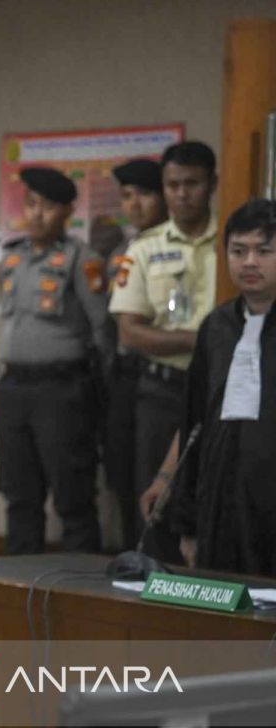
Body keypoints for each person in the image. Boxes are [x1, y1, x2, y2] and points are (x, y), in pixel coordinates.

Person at [0, 166, 113, 554]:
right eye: (31, 204)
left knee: (72, 497)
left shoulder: (82, 260)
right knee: (19, 496)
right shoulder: (11, 259)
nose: (37, 214)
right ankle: (16, 582)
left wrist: (100, 389)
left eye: (47, 206)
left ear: (67, 212)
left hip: (61, 391)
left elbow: (102, 330)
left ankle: (79, 584)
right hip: (14, 388)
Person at [110, 141, 218, 563]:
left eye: (192, 183)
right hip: (162, 392)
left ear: (212, 184)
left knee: (214, 500)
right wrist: (205, 340)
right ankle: (153, 588)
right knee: (156, 505)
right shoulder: (144, 248)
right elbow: (131, 332)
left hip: (221, 391)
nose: (181, 194)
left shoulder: (235, 242)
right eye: (172, 185)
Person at [167, 199, 276, 575]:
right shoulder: (216, 327)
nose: (249, 262)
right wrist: (187, 523)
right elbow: (193, 423)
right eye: (238, 251)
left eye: (264, 251)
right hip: (220, 502)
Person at [102, 158, 168, 549]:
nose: (135, 204)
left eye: (144, 194)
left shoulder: (170, 246)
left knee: (153, 476)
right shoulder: (121, 252)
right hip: (123, 375)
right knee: (121, 472)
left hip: (159, 372)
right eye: (127, 196)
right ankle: (130, 555)